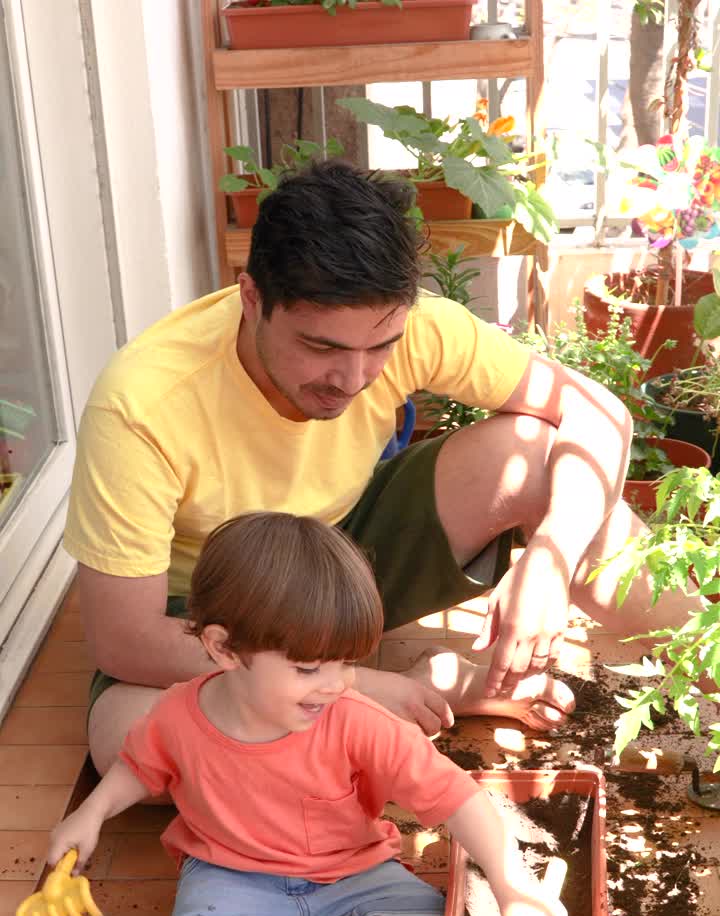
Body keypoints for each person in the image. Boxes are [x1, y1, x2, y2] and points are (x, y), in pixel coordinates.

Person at [63, 160, 698, 775]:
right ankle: (428, 694)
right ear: (252, 299)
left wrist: (552, 559)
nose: (355, 378)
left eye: (380, 348)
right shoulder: (141, 404)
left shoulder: (415, 327)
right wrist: (351, 686)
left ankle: (710, 666)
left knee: (530, 452)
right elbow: (125, 638)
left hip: (349, 556)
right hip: (218, 610)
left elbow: (600, 414)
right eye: (321, 347)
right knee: (128, 742)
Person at [38, 513, 566, 916]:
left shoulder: (355, 721)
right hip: (231, 876)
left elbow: (457, 797)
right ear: (225, 649)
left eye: (349, 663)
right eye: (310, 667)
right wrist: (89, 814)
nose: (336, 684)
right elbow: (137, 766)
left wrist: (512, 880)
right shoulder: (178, 713)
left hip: (351, 871)